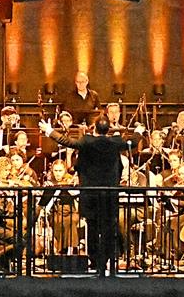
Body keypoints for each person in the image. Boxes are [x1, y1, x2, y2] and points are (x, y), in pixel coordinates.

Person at [40, 115, 139, 275]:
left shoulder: (87, 141)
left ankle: (94, 262)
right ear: (108, 130)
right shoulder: (115, 142)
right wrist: (139, 131)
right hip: (109, 195)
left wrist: (49, 131)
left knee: (92, 228)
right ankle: (106, 261)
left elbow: (68, 142)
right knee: (108, 229)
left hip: (90, 194)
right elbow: (133, 142)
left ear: (94, 128)